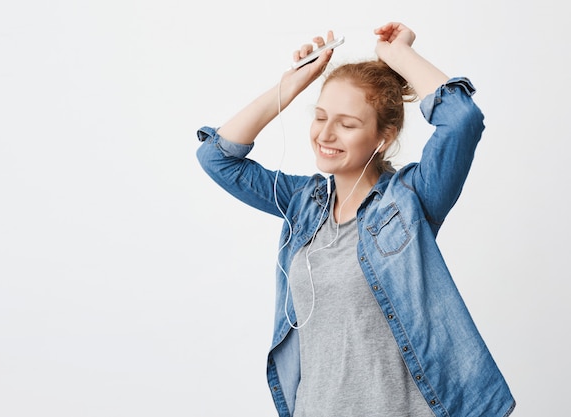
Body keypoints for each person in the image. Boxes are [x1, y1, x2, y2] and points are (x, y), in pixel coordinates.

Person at [196, 22, 515, 417]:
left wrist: (399, 56)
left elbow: (463, 120)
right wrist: (292, 85)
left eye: (347, 124)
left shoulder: (411, 200)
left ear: (383, 136)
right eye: (320, 117)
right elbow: (217, 159)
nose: (326, 135)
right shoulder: (303, 203)